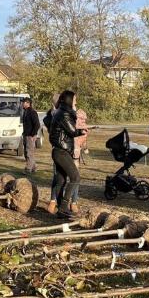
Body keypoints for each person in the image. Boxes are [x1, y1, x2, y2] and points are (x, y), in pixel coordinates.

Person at [49, 90, 87, 219]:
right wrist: (82, 131)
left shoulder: (61, 112)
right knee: (75, 177)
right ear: (69, 99)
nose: (76, 101)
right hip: (61, 151)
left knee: (61, 180)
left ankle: (60, 210)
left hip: (60, 151)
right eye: (74, 98)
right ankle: (64, 206)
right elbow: (72, 131)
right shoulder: (64, 113)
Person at [22, 98, 40, 174]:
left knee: (29, 152)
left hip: (30, 135)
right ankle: (34, 167)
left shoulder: (32, 112)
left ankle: (28, 169)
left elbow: (37, 124)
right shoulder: (26, 112)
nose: (22, 104)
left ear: (27, 103)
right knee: (27, 153)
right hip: (26, 134)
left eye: (23, 102)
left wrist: (33, 134)